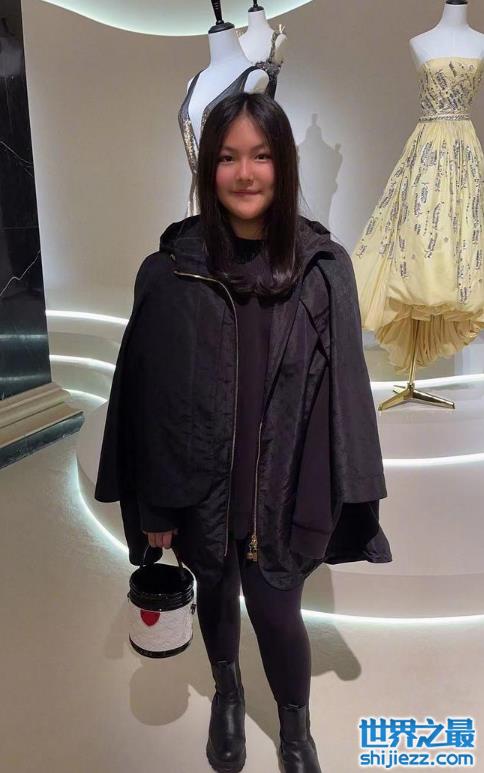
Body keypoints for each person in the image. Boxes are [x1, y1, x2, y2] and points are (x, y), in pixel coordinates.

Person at [95, 92, 392, 773]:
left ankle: (294, 726)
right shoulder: (170, 270)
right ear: (208, 168)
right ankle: (227, 693)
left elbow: (345, 396)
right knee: (216, 593)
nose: (245, 173)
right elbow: (149, 402)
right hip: (199, 485)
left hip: (282, 491)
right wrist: (157, 508)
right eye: (228, 157)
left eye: (261, 156)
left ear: (283, 164)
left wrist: (336, 501)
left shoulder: (322, 268)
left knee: (278, 611)